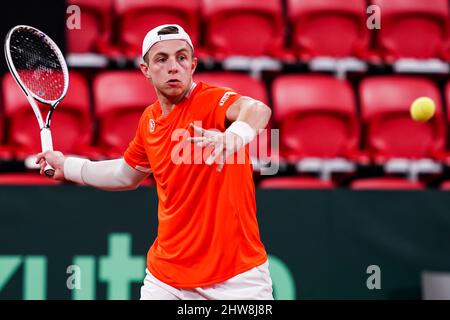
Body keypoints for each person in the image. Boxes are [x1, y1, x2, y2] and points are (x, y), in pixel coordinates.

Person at [36, 24, 273, 300]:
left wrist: (234, 136)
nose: (174, 66)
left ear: (193, 65)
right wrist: (68, 167)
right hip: (167, 277)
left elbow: (257, 109)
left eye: (182, 58)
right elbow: (126, 174)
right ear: (145, 70)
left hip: (236, 279)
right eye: (162, 59)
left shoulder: (211, 101)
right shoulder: (149, 120)